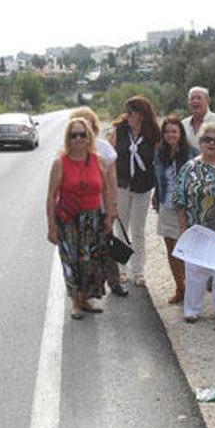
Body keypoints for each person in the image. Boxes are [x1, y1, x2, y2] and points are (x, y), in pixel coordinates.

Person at [47, 117, 116, 319]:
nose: (78, 139)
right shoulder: (60, 163)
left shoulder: (98, 161)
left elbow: (106, 191)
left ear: (89, 137)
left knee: (90, 262)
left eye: (82, 134)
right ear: (68, 138)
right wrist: (51, 226)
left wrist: (109, 216)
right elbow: (51, 196)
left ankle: (85, 299)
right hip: (68, 220)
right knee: (71, 261)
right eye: (73, 135)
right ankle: (76, 303)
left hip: (93, 218)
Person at [173, 122, 215, 323]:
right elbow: (179, 198)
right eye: (207, 139)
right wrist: (183, 227)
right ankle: (192, 309)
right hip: (198, 227)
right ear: (200, 142)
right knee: (195, 270)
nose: (212, 143)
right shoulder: (190, 167)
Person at [70, 106, 126, 297]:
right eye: (79, 129)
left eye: (88, 126)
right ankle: (85, 290)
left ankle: (115, 282)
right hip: (77, 210)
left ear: (94, 127)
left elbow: (112, 182)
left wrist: (112, 208)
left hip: (101, 207)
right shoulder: (68, 151)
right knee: (83, 251)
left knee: (107, 246)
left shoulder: (104, 148)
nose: (83, 133)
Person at [112, 95, 161, 289]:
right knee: (121, 228)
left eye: (131, 112)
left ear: (141, 114)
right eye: (127, 112)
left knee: (138, 230)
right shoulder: (120, 130)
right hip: (122, 185)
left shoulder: (152, 133)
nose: (128, 115)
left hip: (142, 188)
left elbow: (158, 163)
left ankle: (139, 270)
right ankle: (121, 269)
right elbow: (109, 157)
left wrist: (157, 190)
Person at [153, 116, 199, 304]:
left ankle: (191, 290)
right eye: (167, 132)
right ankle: (180, 288)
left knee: (186, 251)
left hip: (186, 210)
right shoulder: (159, 154)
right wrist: (156, 194)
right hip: (166, 205)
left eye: (174, 131)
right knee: (171, 249)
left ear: (181, 133)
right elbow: (157, 177)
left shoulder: (192, 154)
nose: (170, 135)